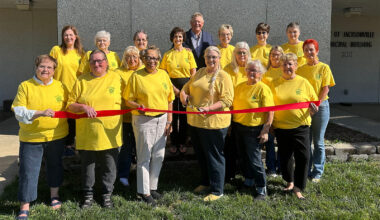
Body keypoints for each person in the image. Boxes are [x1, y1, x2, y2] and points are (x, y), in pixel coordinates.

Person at [12, 55, 68, 219]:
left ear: (54, 70)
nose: (46, 70)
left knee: (55, 166)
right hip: (31, 137)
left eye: (50, 68)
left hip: (56, 136)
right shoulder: (25, 86)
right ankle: (25, 206)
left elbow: (68, 106)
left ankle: (54, 196)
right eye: (42, 66)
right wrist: (40, 113)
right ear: (36, 67)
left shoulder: (60, 86)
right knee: (28, 171)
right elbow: (19, 111)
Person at [67, 49, 123, 208]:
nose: (97, 64)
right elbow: (70, 104)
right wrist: (83, 107)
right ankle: (88, 196)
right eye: (93, 61)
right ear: (89, 64)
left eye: (100, 61)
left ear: (107, 62)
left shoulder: (116, 78)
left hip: (110, 132)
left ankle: (107, 195)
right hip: (87, 133)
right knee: (88, 166)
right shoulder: (81, 80)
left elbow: (130, 97)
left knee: (109, 166)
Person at [180, 46, 234, 201]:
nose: (211, 60)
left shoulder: (224, 76)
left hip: (214, 123)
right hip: (195, 122)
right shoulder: (200, 72)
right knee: (202, 155)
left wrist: (209, 108)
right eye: (208, 57)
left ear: (219, 59)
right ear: (204, 58)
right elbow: (186, 88)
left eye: (214, 57)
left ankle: (217, 190)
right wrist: (183, 96)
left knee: (214, 156)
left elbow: (227, 100)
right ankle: (205, 182)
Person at [124, 45, 174, 205]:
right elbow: (127, 100)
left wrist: (169, 120)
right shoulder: (136, 76)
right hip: (143, 120)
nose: (152, 61)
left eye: (155, 58)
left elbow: (169, 99)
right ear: (143, 59)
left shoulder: (164, 75)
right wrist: (137, 106)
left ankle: (152, 187)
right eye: (149, 58)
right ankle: (143, 192)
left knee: (159, 155)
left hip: (162, 119)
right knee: (144, 156)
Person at [270, 53, 318, 199]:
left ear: (296, 66)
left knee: (303, 156)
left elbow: (313, 102)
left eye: (290, 64)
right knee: (284, 158)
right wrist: (270, 125)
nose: (287, 67)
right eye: (284, 64)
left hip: (301, 127)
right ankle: (289, 181)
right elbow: (269, 106)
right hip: (281, 128)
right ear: (281, 67)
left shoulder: (303, 82)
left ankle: (298, 187)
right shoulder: (274, 83)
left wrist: (314, 109)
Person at [232, 60, 274, 200]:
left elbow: (270, 111)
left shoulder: (263, 88)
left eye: (255, 71)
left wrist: (266, 130)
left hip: (254, 129)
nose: (251, 73)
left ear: (260, 74)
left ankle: (262, 189)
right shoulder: (239, 87)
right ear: (245, 71)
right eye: (249, 70)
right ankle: (248, 181)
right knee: (243, 157)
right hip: (238, 127)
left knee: (255, 160)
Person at [297, 39, 335, 182]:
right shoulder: (300, 70)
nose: (309, 52)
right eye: (306, 50)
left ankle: (317, 171)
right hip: (305, 109)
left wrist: (316, 105)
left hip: (321, 107)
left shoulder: (324, 68)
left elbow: (326, 88)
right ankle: (307, 169)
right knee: (306, 141)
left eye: (311, 49)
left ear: (317, 51)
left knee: (318, 141)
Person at [160, 27, 197, 154]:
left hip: (186, 87)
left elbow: (193, 72)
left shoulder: (188, 53)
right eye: (176, 37)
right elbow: (164, 74)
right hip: (172, 87)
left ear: (183, 39)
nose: (178, 39)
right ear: (172, 38)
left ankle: (183, 141)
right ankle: (173, 142)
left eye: (180, 37)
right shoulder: (167, 54)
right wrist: (174, 89)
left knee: (185, 115)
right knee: (173, 115)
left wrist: (186, 90)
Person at [49, 25, 85, 152]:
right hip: (59, 91)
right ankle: (59, 147)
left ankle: (70, 146)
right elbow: (49, 68)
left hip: (75, 92)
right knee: (61, 119)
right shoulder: (56, 50)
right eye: (66, 35)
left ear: (75, 37)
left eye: (71, 35)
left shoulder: (81, 53)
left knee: (73, 121)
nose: (68, 37)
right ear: (62, 37)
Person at [115, 46, 144, 187]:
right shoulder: (118, 73)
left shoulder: (144, 71)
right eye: (128, 57)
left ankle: (142, 176)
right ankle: (123, 175)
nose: (131, 60)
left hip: (142, 117)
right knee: (126, 148)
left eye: (134, 56)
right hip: (126, 117)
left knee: (141, 147)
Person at [222, 41, 251, 183]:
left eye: (244, 52)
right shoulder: (228, 69)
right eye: (239, 52)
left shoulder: (251, 68)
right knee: (230, 145)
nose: (242, 55)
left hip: (248, 114)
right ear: (235, 54)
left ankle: (247, 174)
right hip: (231, 112)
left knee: (246, 146)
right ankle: (230, 174)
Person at [261, 45, 285, 176]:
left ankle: (282, 166)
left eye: (278, 54)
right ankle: (271, 168)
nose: (275, 57)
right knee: (270, 140)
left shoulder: (285, 71)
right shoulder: (265, 73)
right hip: (269, 111)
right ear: (270, 57)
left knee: (281, 140)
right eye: (273, 55)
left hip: (283, 111)